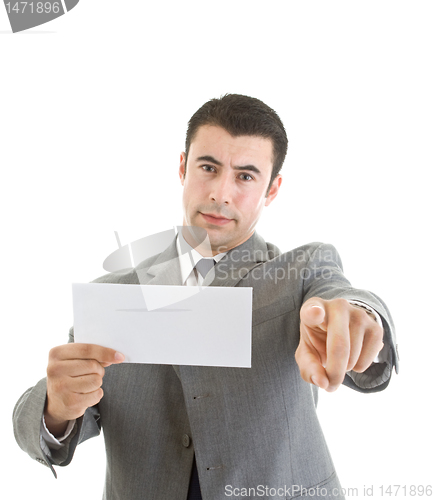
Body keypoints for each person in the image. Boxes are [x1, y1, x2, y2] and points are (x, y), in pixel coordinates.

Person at [13, 94, 398, 500]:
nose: (221, 193)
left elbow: (341, 295)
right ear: (183, 167)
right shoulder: (113, 298)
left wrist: (357, 318)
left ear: (272, 189)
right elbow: (57, 423)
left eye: (246, 176)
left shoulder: (301, 273)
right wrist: (56, 406)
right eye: (208, 168)